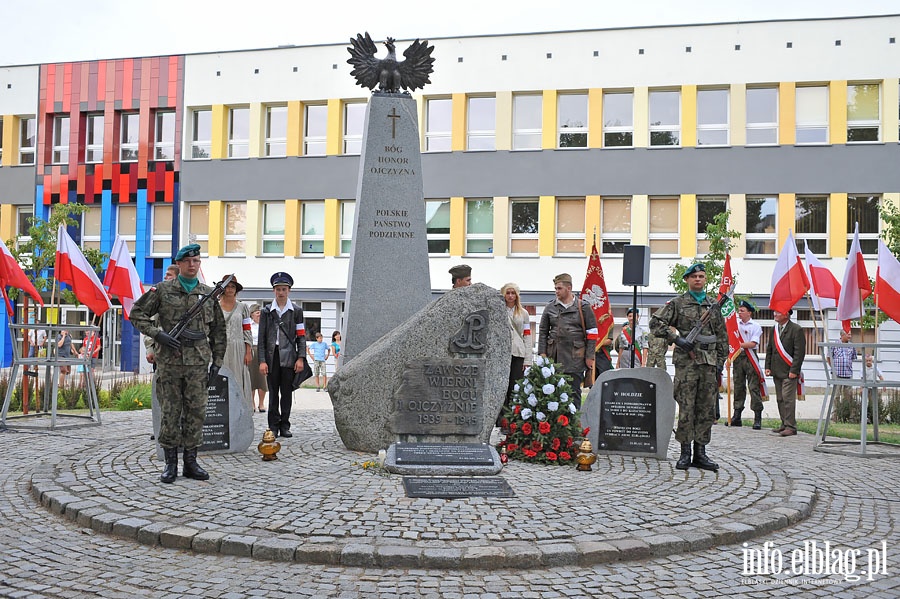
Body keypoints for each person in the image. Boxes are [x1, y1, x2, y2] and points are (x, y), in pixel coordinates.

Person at [130, 244, 227, 484]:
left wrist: (218, 361)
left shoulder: (207, 295)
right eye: (188, 261)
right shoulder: (162, 290)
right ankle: (170, 464)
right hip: (170, 363)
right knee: (171, 412)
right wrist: (157, 334)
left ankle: (191, 463)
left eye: (196, 261)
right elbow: (136, 313)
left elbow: (218, 331)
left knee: (196, 412)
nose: (193, 265)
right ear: (179, 263)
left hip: (198, 364)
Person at [650, 263, 727, 471]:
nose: (698, 279)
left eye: (702, 276)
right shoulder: (678, 303)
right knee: (686, 408)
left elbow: (722, 338)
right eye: (694, 276)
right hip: (687, 364)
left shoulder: (713, 306)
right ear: (687, 280)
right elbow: (655, 324)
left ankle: (700, 453)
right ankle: (685, 453)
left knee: (706, 409)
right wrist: (677, 339)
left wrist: (719, 363)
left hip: (709, 364)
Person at [258, 272, 307, 438]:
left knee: (286, 392)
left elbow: (301, 336)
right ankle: (273, 426)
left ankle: (285, 425)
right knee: (273, 392)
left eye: (284, 289)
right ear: (273, 291)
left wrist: (301, 358)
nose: (281, 292)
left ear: (289, 291)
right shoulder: (266, 311)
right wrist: (262, 360)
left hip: (289, 356)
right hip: (273, 356)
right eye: (278, 289)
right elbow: (262, 339)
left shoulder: (296, 311)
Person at [537, 273, 597, 408]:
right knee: (552, 393)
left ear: (569, 288)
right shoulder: (550, 307)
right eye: (555, 289)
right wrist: (542, 353)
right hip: (554, 357)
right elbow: (542, 332)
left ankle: (574, 425)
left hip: (576, 357)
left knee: (573, 392)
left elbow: (592, 333)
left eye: (559, 288)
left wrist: (589, 356)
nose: (556, 291)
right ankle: (557, 426)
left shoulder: (583, 307)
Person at [764, 308, 806, 437]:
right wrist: (768, 366)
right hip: (777, 370)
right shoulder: (774, 329)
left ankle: (790, 426)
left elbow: (799, 352)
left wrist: (794, 370)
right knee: (780, 398)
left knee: (788, 398)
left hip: (789, 371)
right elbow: (770, 348)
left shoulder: (796, 329)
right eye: (775, 312)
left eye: (778, 312)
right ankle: (784, 423)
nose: (775, 314)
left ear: (786, 314)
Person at [218, 275, 254, 413]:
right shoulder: (215, 306)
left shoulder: (243, 307)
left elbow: (247, 330)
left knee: (238, 379)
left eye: (233, 286)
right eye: (227, 286)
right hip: (220, 348)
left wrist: (248, 350)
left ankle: (240, 411)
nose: (230, 289)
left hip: (238, 348)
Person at [500, 283, 533, 425]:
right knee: (502, 386)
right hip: (502, 353)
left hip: (518, 352)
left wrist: (528, 359)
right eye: (508, 293)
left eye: (513, 293)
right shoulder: (499, 310)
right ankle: (501, 419)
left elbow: (527, 335)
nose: (510, 296)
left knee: (515, 387)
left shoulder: (523, 313)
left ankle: (513, 418)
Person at [731, 300, 765, 429]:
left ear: (749, 313)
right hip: (738, 357)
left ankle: (757, 417)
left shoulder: (755, 326)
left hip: (750, 357)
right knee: (738, 386)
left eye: (742, 311)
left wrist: (737, 345)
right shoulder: (735, 325)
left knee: (753, 387)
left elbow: (753, 344)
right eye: (739, 310)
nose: (739, 313)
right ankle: (737, 415)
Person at [145, 265, 180, 366]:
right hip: (161, 354)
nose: (165, 278)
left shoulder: (190, 298)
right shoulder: (159, 299)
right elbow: (150, 326)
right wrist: (150, 349)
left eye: (169, 275)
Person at [827, 329, 856, 410]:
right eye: (848, 334)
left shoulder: (851, 346)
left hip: (848, 374)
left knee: (848, 396)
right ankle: (835, 415)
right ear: (842, 335)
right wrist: (833, 368)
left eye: (850, 334)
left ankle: (845, 413)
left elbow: (853, 358)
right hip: (837, 374)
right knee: (836, 395)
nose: (850, 336)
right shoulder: (835, 344)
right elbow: (829, 357)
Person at [248, 304, 268, 411]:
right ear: (252, 314)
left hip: (263, 352)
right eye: (257, 313)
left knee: (262, 379)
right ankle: (252, 403)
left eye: (260, 312)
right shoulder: (249, 325)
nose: (259, 315)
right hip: (251, 351)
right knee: (251, 378)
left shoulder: (265, 325)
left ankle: (261, 403)